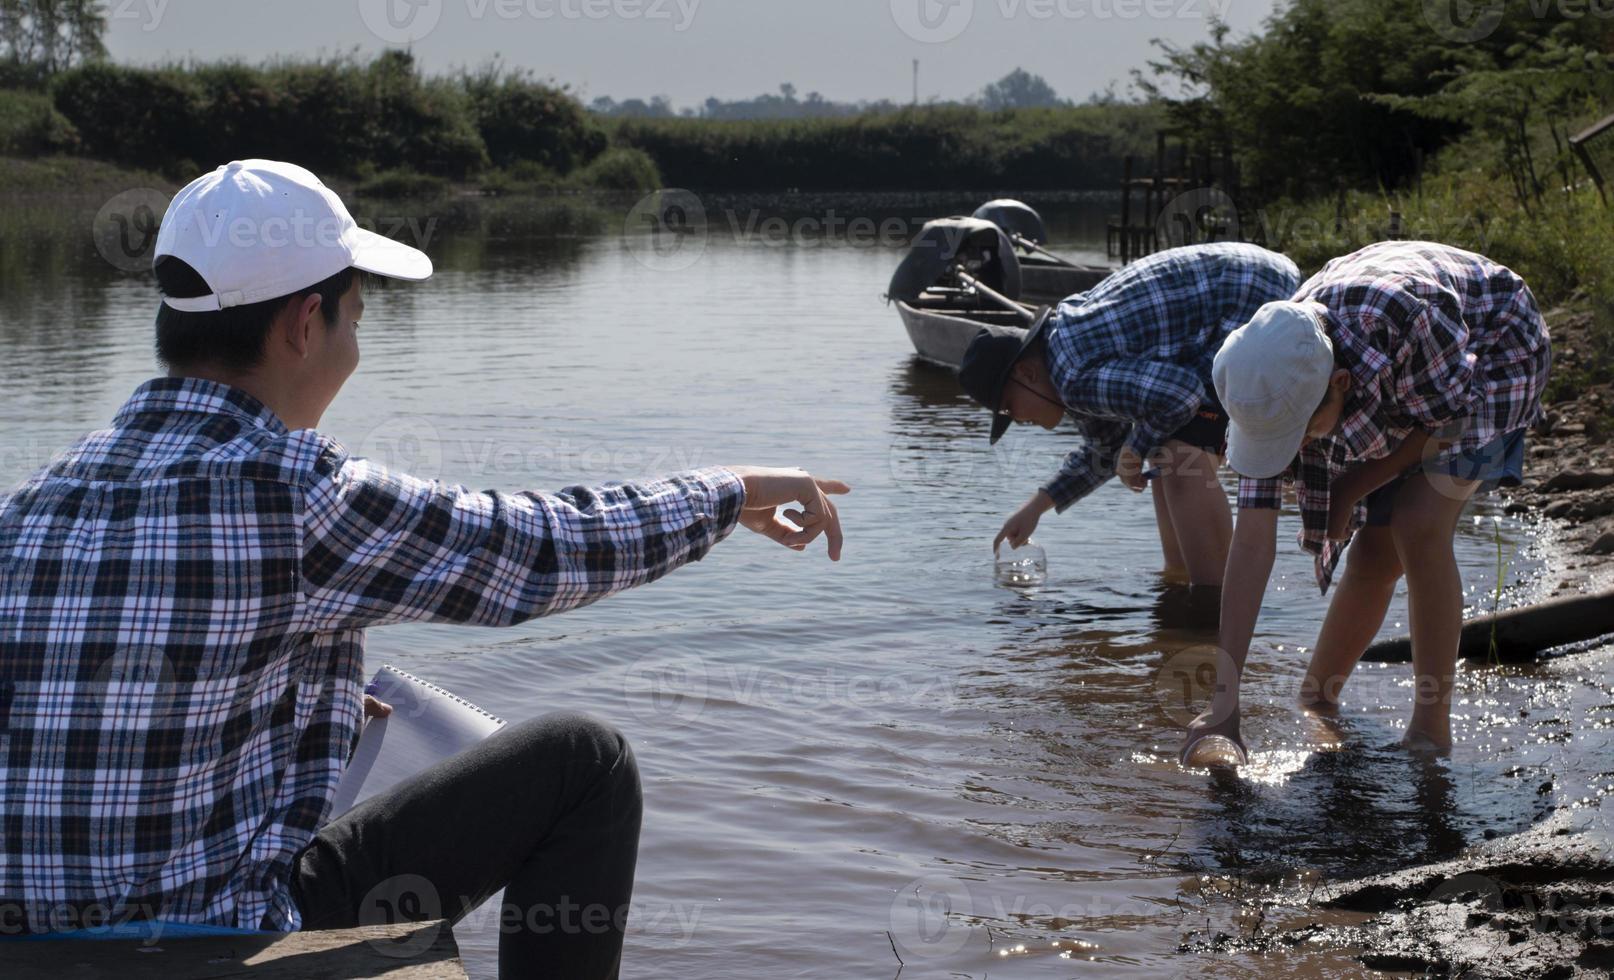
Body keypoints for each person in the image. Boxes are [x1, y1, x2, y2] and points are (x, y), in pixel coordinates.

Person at [0, 160, 848, 979]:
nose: (355, 345)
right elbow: (540, 549)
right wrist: (726, 492)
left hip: (25, 935)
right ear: (303, 324)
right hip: (208, 934)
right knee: (584, 763)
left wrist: (294, 694)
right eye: (356, 317)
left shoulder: (35, 502)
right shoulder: (297, 496)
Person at [1185, 240, 1551, 765]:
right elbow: (1250, 547)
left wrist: (1351, 489)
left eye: (1300, 433)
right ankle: (1317, 699)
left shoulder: (1408, 320)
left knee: (1418, 521)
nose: (1295, 449)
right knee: (1374, 557)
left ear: (1340, 385)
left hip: (1493, 346)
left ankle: (1430, 731)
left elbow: (1443, 424)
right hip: (1399, 368)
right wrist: (1223, 704)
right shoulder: (1265, 372)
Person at [956, 243, 1300, 586]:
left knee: (1179, 451)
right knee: (1162, 444)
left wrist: (1134, 448)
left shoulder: (1072, 376)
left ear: (1027, 374)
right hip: (1251, 278)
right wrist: (1035, 508)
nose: (1017, 419)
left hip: (1253, 294)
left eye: (1008, 408)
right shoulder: (1062, 360)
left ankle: (1213, 601)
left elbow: (1183, 394)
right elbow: (1107, 450)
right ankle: (1180, 584)